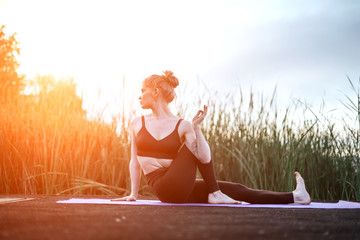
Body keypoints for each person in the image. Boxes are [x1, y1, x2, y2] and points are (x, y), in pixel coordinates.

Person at [112, 70, 311, 204]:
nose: (139, 95)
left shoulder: (182, 125)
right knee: (201, 161)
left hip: (179, 185)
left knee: (234, 188)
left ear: (155, 91)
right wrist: (133, 194)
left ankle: (295, 197)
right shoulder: (137, 123)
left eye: (142, 91)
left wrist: (196, 129)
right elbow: (134, 162)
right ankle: (216, 193)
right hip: (163, 188)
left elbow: (203, 156)